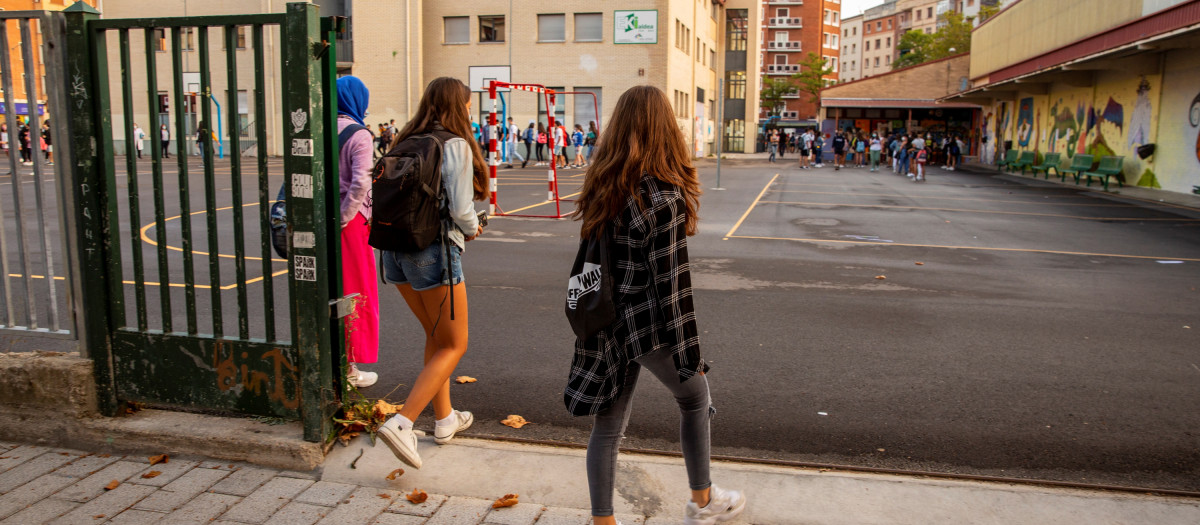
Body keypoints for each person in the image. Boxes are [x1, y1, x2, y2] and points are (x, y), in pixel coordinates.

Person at [567, 85, 746, 525]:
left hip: (606, 319)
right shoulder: (663, 198)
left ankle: (603, 520)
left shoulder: (603, 184)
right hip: (644, 323)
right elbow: (673, 288)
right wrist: (690, 356)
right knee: (695, 397)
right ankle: (702, 500)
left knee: (608, 427)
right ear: (665, 129)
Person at [377, 77, 487, 470]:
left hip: (394, 253)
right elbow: (461, 211)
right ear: (461, 105)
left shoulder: (404, 139)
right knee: (454, 344)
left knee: (435, 336)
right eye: (469, 105)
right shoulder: (453, 144)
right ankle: (403, 423)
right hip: (432, 252)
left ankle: (444, 419)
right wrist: (474, 227)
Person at [335, 76, 382, 389]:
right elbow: (362, 181)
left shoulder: (322, 127)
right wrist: (345, 215)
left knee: (330, 290)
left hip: (321, 216)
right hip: (349, 223)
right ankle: (348, 366)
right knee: (355, 292)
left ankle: (332, 360)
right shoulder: (359, 134)